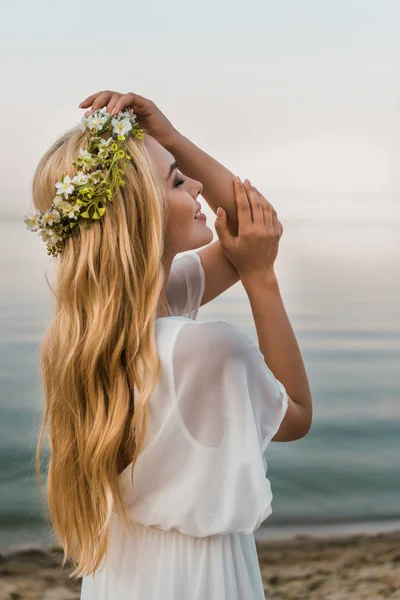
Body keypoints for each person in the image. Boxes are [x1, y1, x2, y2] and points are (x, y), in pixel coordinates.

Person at [27, 91, 313, 599]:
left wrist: (169, 139)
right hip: (198, 581)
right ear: (142, 215)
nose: (199, 184)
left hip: (123, 574)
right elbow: (295, 417)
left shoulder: (93, 332)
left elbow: (251, 224)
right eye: (178, 180)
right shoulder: (204, 348)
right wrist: (262, 280)